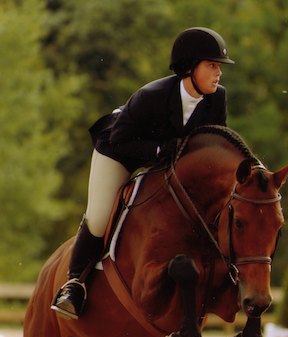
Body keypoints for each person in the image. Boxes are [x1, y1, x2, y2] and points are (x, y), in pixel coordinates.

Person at [51, 26, 235, 320]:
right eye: (212, 65)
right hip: (120, 150)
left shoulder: (217, 98)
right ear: (190, 68)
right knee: (99, 216)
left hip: (168, 161)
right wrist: (161, 151)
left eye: (219, 67)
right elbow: (119, 140)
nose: (218, 73)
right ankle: (74, 285)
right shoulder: (152, 95)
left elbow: (215, 143)